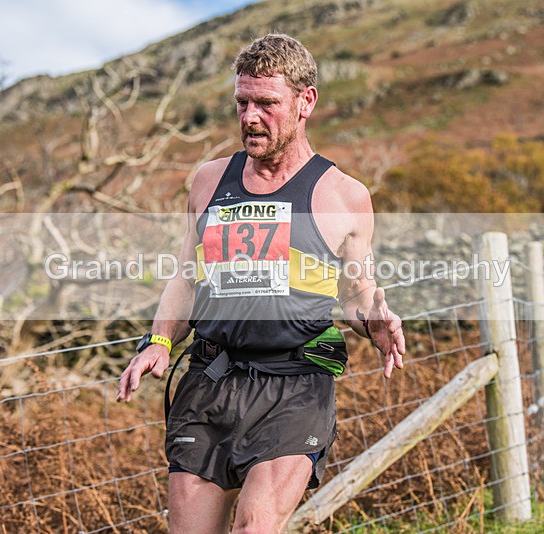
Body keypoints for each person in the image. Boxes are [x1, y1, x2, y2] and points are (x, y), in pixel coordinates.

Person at [116, 33, 405, 533]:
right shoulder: (208, 180)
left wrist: (372, 321)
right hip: (210, 380)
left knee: (255, 526)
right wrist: (159, 342)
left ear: (305, 101)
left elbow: (358, 294)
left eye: (267, 104)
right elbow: (186, 278)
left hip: (295, 385)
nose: (250, 117)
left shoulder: (344, 196)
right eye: (242, 103)